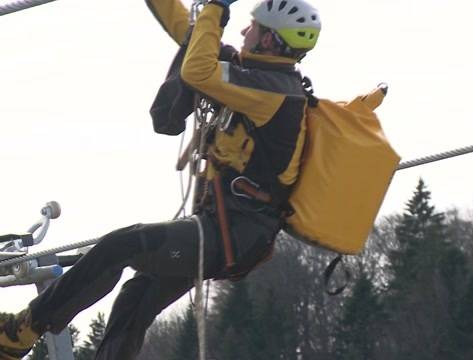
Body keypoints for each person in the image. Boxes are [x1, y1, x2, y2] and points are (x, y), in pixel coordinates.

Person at [0, 0, 321, 358]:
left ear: (270, 42)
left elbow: (198, 72)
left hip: (230, 235)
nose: (245, 32)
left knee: (119, 246)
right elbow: (190, 32)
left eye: (254, 28)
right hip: (219, 228)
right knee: (135, 301)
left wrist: (216, 8)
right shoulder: (251, 75)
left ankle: (22, 330)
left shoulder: (275, 90)